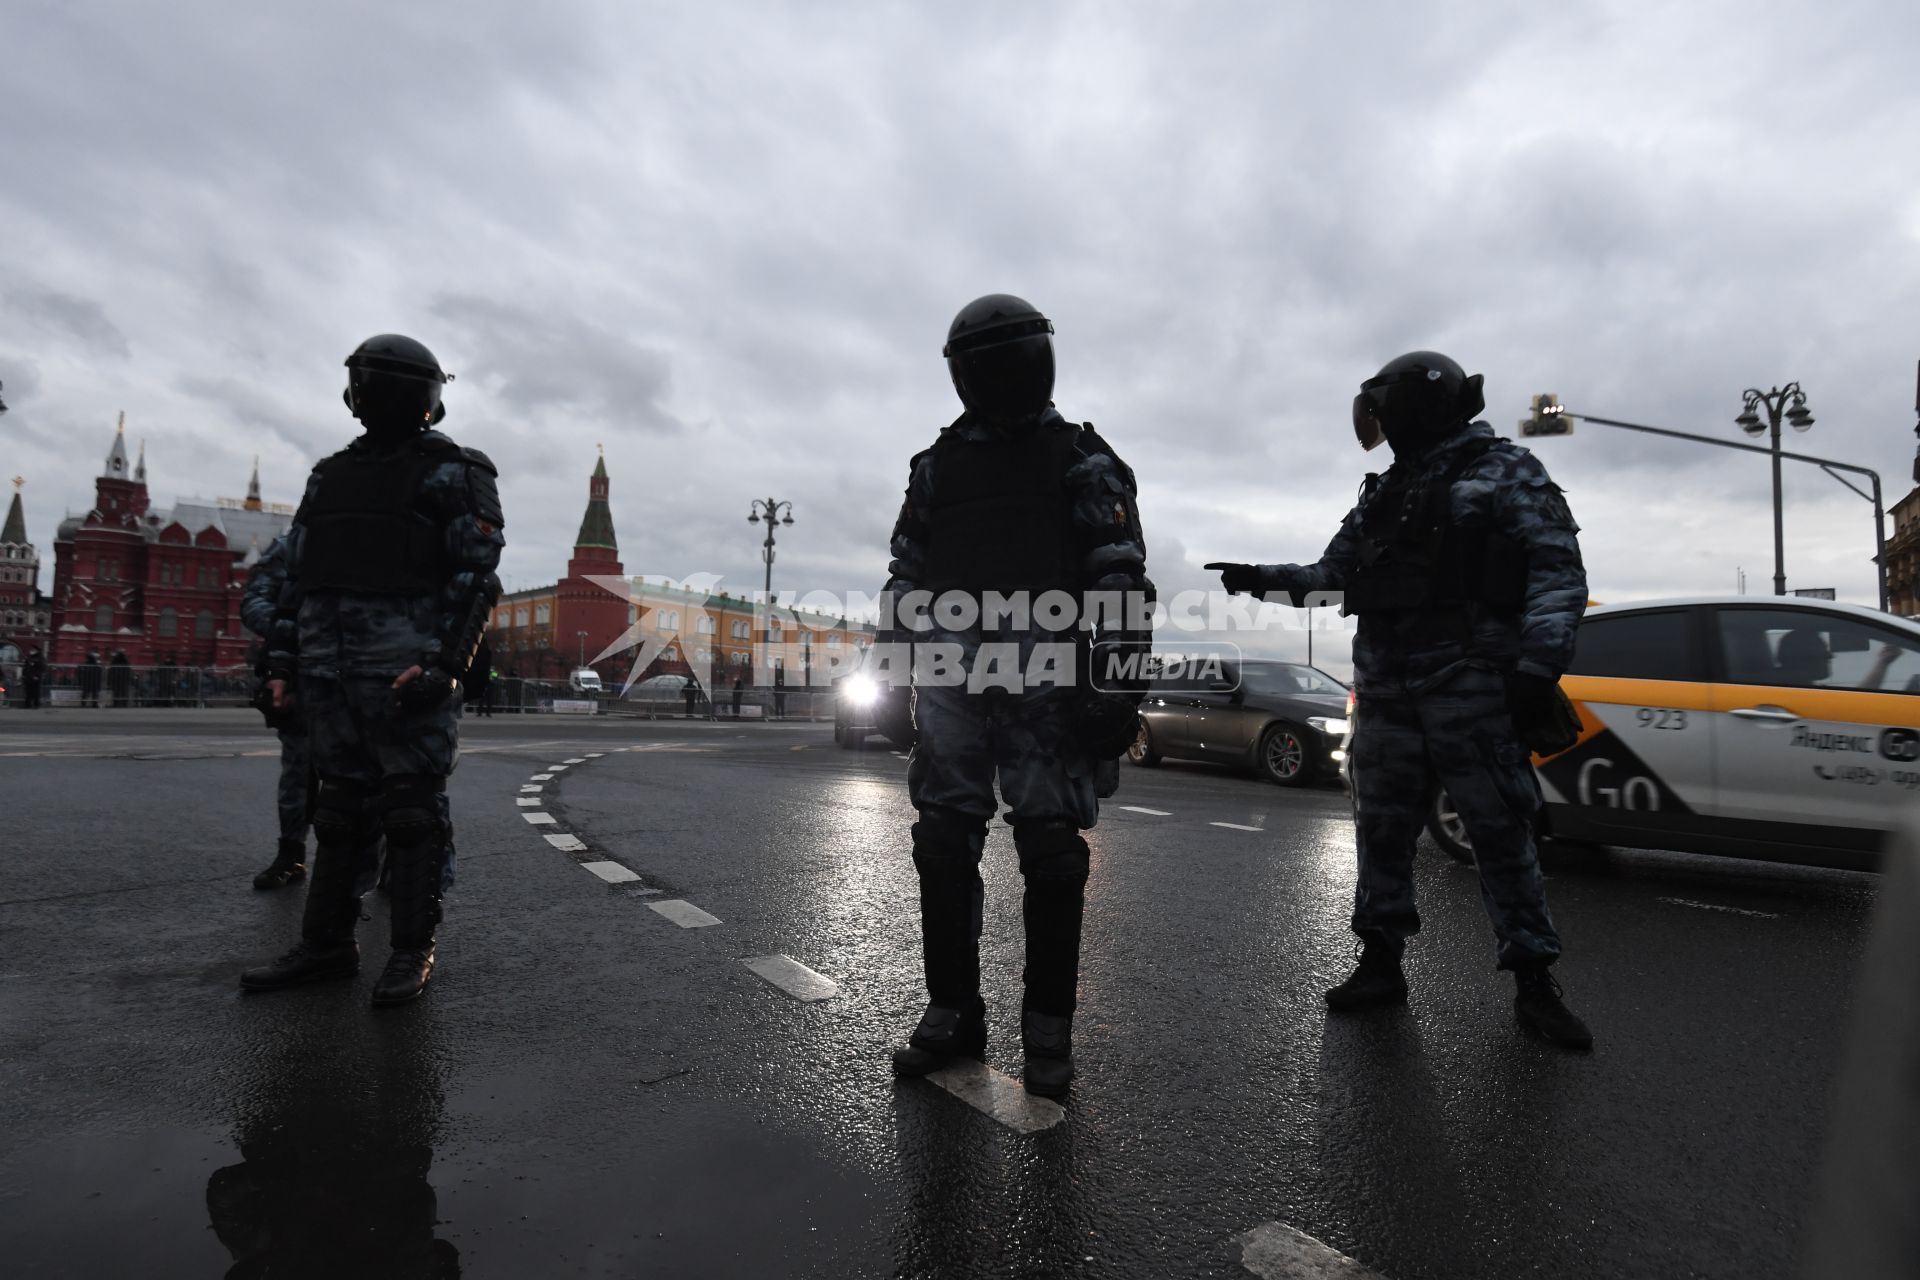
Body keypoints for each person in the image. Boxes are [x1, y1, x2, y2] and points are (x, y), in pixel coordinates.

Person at [1208, 350, 1593, 1051]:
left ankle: (1536, 982)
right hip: (1386, 691)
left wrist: (1537, 668)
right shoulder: (1385, 494)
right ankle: (1380, 963)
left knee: (1500, 833)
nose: (1378, 423)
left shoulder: (1503, 473)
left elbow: (1557, 573)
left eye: (1385, 408)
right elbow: (1332, 575)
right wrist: (1259, 578)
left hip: (1470, 684)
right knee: (1382, 836)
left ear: (1417, 405)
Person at [882, 294, 1151, 1098]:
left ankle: (1048, 1034)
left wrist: (1117, 689)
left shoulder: (1082, 458)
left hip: (1048, 684)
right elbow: (907, 577)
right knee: (940, 842)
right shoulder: (938, 467)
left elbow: (1121, 579)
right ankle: (952, 1012)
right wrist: (895, 680)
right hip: (954, 682)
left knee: (1054, 855)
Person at [240, 333, 503, 1007]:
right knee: (339, 811)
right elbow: (300, 579)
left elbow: (476, 580)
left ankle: (411, 950)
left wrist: (447, 665)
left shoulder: (455, 471)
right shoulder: (330, 477)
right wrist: (283, 665)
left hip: (401, 672)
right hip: (331, 671)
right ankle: (327, 946)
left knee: (411, 811)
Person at [241, 534, 312, 890]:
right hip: (301, 673)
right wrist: (300, 630)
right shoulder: (293, 545)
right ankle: (291, 854)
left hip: (363, 674)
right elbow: (254, 601)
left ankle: (383, 861)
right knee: (298, 771)